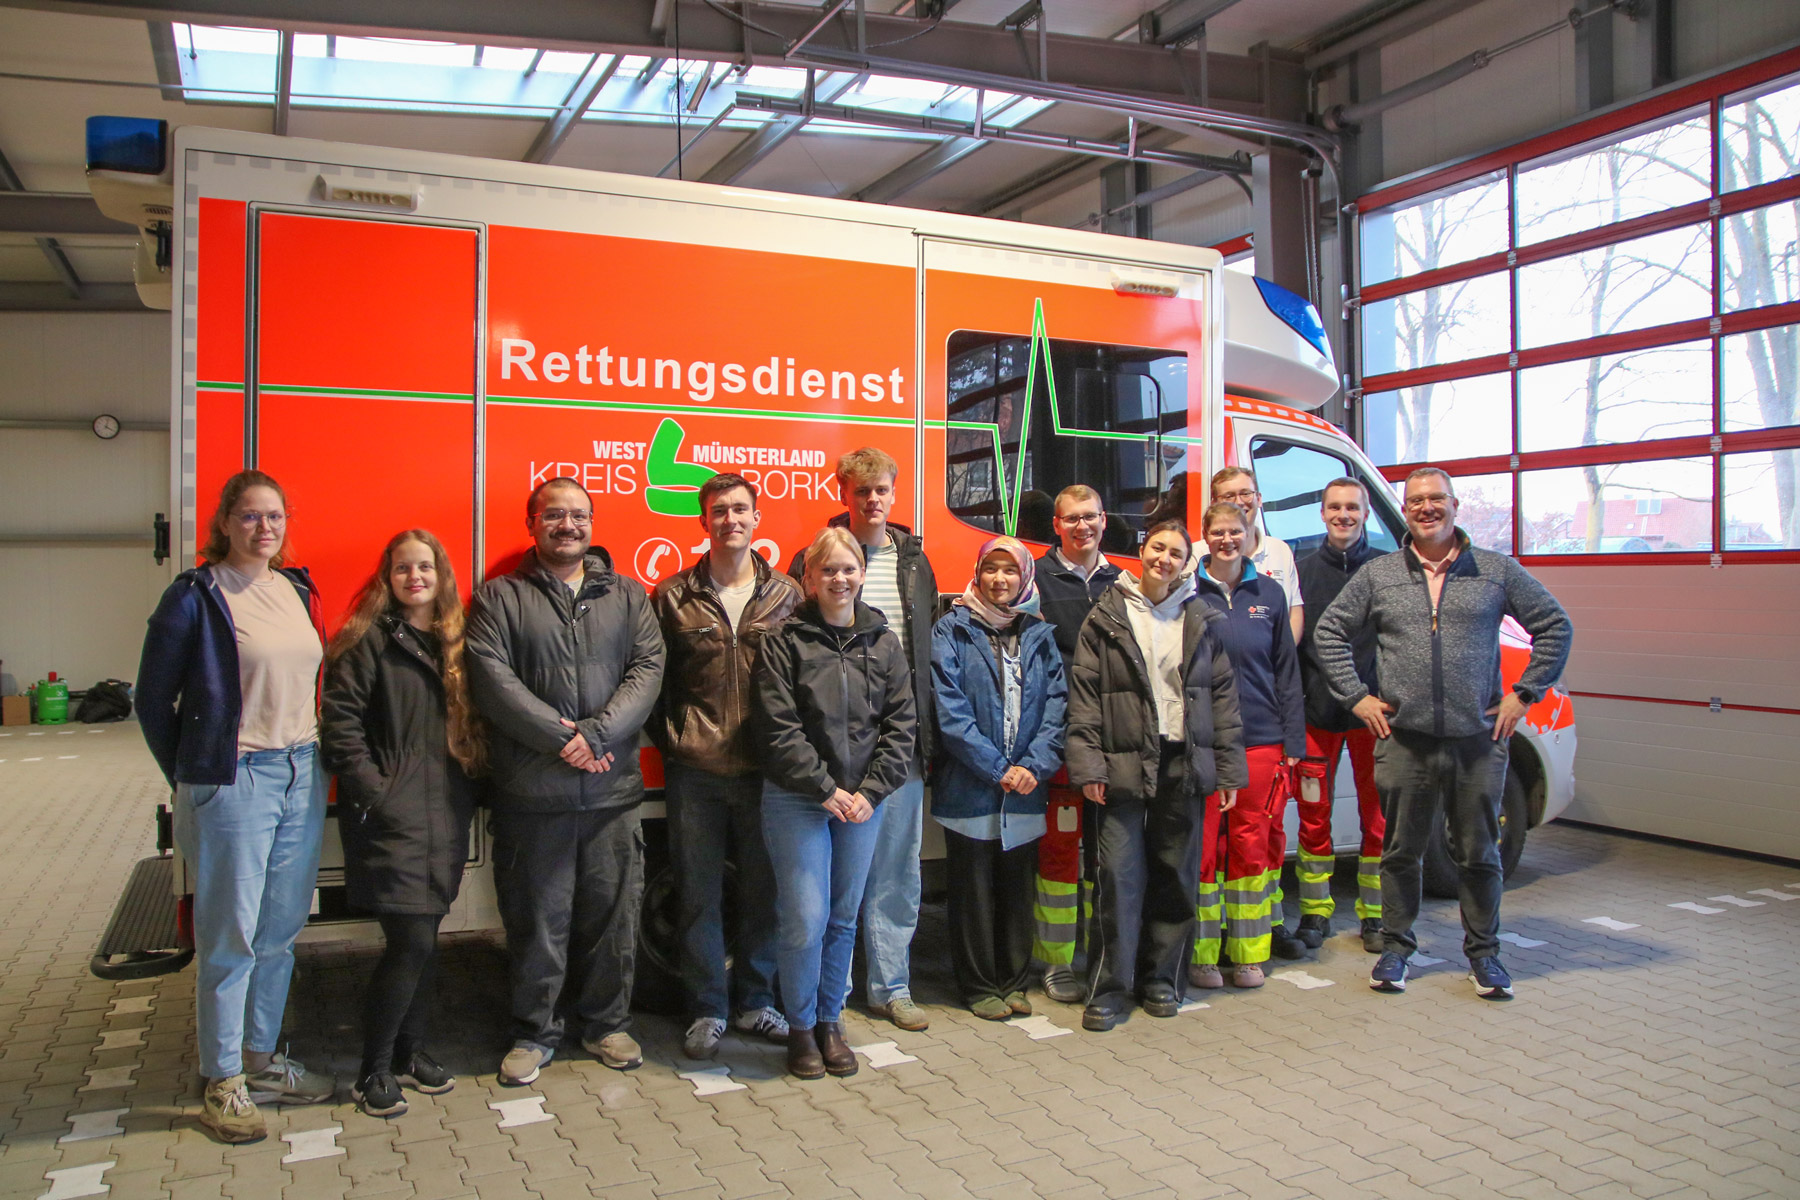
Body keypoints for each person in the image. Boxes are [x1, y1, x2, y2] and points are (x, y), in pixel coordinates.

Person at [1315, 468, 1572, 1000]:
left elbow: (1554, 626)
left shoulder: (1496, 571)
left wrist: (1523, 694)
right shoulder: (1380, 575)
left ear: (1455, 505)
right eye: (1415, 501)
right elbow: (1329, 631)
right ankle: (1396, 949)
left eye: (1436, 499)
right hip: (1404, 740)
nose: (1425, 508)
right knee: (1401, 852)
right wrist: (1357, 697)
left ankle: (1484, 956)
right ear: (1404, 510)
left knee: (1478, 854)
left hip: (1477, 741)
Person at [136, 469, 336, 1144]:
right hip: (236, 778)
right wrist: (198, 776)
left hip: (301, 772)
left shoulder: (295, 590)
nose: (264, 528)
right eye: (250, 516)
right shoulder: (195, 596)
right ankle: (222, 1081)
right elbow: (151, 701)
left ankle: (261, 1062)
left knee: (279, 931)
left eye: (275, 517)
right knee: (231, 937)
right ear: (224, 523)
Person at [466, 478, 665, 1083]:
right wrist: (566, 740)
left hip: (611, 797)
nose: (568, 525)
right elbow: (491, 678)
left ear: (593, 523)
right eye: (554, 515)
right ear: (532, 524)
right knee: (537, 924)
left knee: (613, 921)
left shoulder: (629, 597)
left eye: (579, 515)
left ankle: (607, 1026)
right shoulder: (499, 598)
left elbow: (648, 668)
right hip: (534, 797)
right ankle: (534, 1034)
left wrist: (597, 736)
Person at [321, 530, 483, 1118]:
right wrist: (376, 794)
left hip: (444, 810)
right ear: (386, 578)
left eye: (425, 568)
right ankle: (373, 1070)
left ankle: (413, 1053)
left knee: (427, 941)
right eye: (402, 569)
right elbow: (340, 726)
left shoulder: (454, 643)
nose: (415, 578)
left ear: (440, 576)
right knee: (410, 941)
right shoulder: (368, 640)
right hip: (394, 816)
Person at [1066, 520, 1247, 1032]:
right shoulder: (1106, 615)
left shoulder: (1202, 618)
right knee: (1117, 879)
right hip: (1120, 762)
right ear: (1141, 551)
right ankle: (1108, 989)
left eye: (1175, 553)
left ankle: (1162, 980)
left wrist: (1228, 772)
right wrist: (1089, 765)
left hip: (1180, 763)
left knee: (1174, 876)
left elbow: (1223, 703)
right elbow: (1083, 700)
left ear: (1188, 562)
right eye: (1156, 548)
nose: (1163, 559)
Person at [651, 473, 802, 1060]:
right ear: (703, 521)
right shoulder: (671, 596)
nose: (730, 520)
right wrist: (672, 736)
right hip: (696, 770)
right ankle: (708, 1009)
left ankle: (757, 1002)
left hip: (769, 771)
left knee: (765, 893)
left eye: (740, 509)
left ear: (757, 519)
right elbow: (650, 680)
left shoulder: (787, 594)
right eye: (719, 511)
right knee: (698, 893)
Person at [756, 527, 917, 1078]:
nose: (839, 579)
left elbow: (902, 725)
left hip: (862, 806)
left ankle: (831, 1021)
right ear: (809, 577)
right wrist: (826, 789)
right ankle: (799, 1029)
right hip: (800, 799)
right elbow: (778, 730)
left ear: (861, 573)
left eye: (848, 568)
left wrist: (870, 792)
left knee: (844, 919)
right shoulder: (784, 641)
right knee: (805, 917)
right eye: (828, 570)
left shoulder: (884, 640)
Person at [786, 447, 937, 1033]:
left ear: (894, 495)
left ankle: (892, 988)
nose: (872, 500)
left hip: (897, 746)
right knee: (828, 889)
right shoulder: (817, 556)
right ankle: (832, 997)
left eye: (881, 491)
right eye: (860, 492)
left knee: (898, 873)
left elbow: (920, 651)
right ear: (844, 496)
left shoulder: (914, 559)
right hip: (831, 751)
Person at [930, 537, 1067, 1020]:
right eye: (991, 569)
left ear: (1025, 576)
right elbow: (950, 711)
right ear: (978, 572)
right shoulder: (951, 630)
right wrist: (996, 767)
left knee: (1016, 889)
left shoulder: (1040, 634)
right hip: (970, 787)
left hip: (1027, 789)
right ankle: (979, 986)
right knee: (973, 893)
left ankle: (1013, 981)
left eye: (1010, 570)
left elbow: (1057, 707)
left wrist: (1033, 766)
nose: (1000, 580)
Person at [1190, 502, 1306, 990]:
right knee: (1203, 851)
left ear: (1250, 534)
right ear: (1205, 537)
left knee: (1250, 846)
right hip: (1205, 740)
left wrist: (1292, 741)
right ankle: (1202, 955)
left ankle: (1249, 954)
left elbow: (1287, 671)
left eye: (1235, 531)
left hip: (1261, 740)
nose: (1227, 540)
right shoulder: (1188, 592)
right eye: (1217, 532)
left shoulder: (1271, 594)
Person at [1031, 485, 1123, 1004]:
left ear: (1103, 520)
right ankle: (1056, 963)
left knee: (1109, 858)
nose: (1082, 526)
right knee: (1060, 855)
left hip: (1114, 743)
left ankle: (1104, 956)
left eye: (1090, 517)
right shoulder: (1038, 579)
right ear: (1057, 526)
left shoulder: (1126, 583)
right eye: (1072, 519)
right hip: (1062, 742)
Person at [1293, 479, 1386, 954]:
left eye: (1352, 507)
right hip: (1317, 714)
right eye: (1334, 506)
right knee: (1314, 815)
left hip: (1376, 717)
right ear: (1322, 511)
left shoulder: (1389, 571)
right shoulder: (1302, 572)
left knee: (1379, 817)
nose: (1343, 515)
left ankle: (1376, 915)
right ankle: (1315, 912)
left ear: (1366, 512)